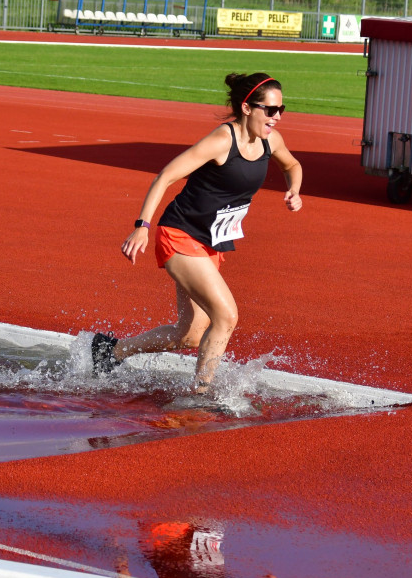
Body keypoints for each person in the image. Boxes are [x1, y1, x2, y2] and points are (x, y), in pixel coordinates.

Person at [92, 72, 303, 394]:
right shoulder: (221, 141)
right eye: (269, 110)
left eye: (281, 110)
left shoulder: (270, 141)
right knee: (227, 316)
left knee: (189, 335)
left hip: (210, 243)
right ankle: (200, 393)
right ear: (247, 108)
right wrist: (142, 227)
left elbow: (292, 166)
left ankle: (111, 351)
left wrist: (294, 191)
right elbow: (165, 177)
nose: (276, 117)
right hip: (179, 235)